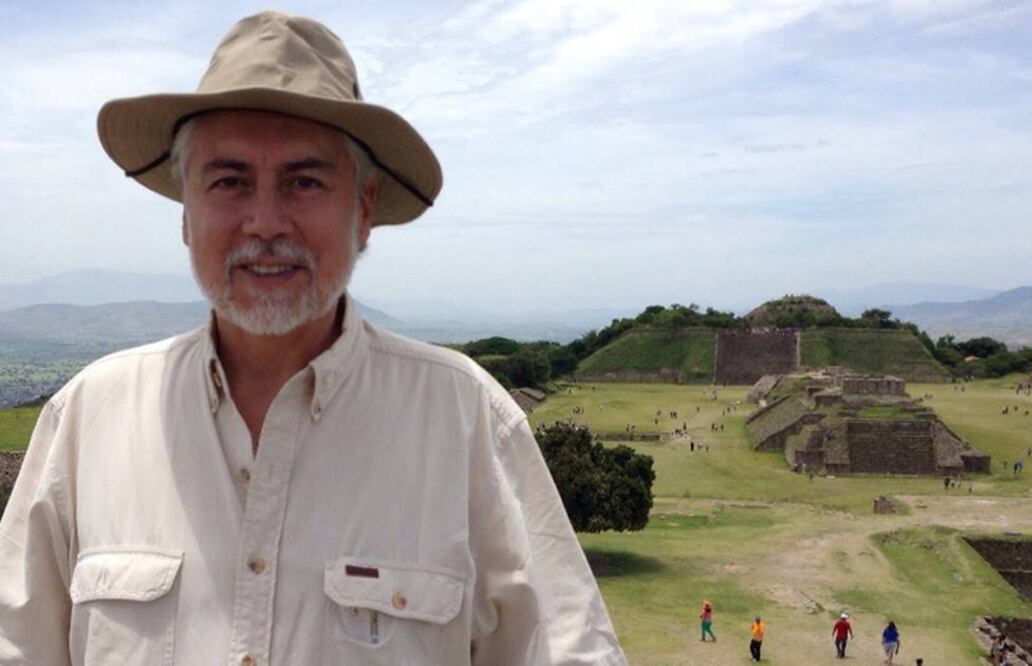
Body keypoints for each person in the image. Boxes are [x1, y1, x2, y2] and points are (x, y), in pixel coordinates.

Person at [0, 12, 626, 666]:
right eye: (229, 181)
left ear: (362, 209)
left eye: (304, 181)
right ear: (186, 212)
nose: (265, 221)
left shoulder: (466, 422)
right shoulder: (86, 420)